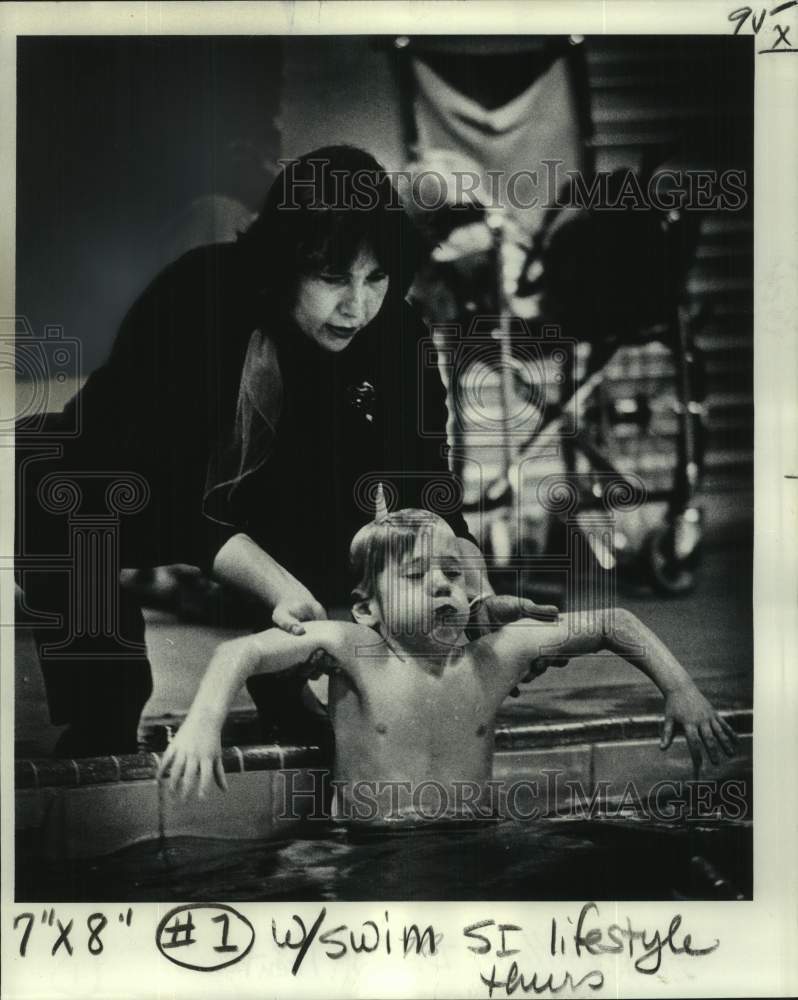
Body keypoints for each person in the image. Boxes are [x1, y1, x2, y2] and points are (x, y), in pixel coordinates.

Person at [17, 146, 551, 757]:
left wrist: (473, 584)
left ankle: (284, 687)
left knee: (362, 520)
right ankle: (99, 713)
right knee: (60, 499)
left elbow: (422, 482)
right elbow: (170, 490)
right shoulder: (196, 298)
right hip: (116, 486)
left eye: (376, 277)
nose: (358, 305)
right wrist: (278, 587)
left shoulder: (395, 335)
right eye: (332, 277)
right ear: (284, 264)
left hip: (266, 496)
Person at [160, 509, 736, 824]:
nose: (442, 584)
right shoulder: (356, 651)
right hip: (365, 851)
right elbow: (239, 652)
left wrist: (681, 690)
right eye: (416, 577)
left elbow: (613, 623)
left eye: (454, 575)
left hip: (471, 843)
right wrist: (205, 720)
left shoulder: (495, 655)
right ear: (368, 608)